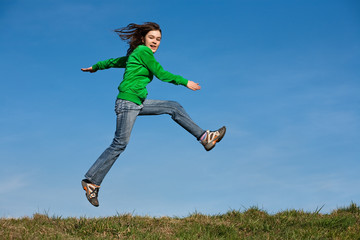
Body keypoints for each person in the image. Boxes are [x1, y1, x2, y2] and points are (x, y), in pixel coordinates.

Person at [81, 22, 226, 207]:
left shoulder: (136, 54)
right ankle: (91, 180)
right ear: (143, 38)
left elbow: (114, 62)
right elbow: (161, 73)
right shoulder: (143, 52)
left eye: (158, 39)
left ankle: (205, 137)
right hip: (128, 102)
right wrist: (185, 82)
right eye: (152, 38)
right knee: (119, 144)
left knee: (173, 107)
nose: (155, 42)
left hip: (137, 103)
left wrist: (96, 67)